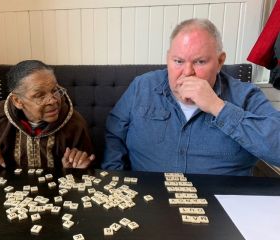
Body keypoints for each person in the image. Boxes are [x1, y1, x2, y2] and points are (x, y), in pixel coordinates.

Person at [102, 18, 280, 176]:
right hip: (150, 200)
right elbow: (114, 135)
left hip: (222, 203)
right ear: (168, 58)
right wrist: (115, 179)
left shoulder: (246, 96)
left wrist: (217, 107)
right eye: (178, 61)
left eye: (200, 62)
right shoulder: (142, 87)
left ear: (220, 62)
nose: (187, 72)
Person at [0, 60, 95, 170]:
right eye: (39, 95)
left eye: (55, 90)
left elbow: (90, 169)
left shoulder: (75, 123)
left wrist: (78, 168)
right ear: (17, 101)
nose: (53, 100)